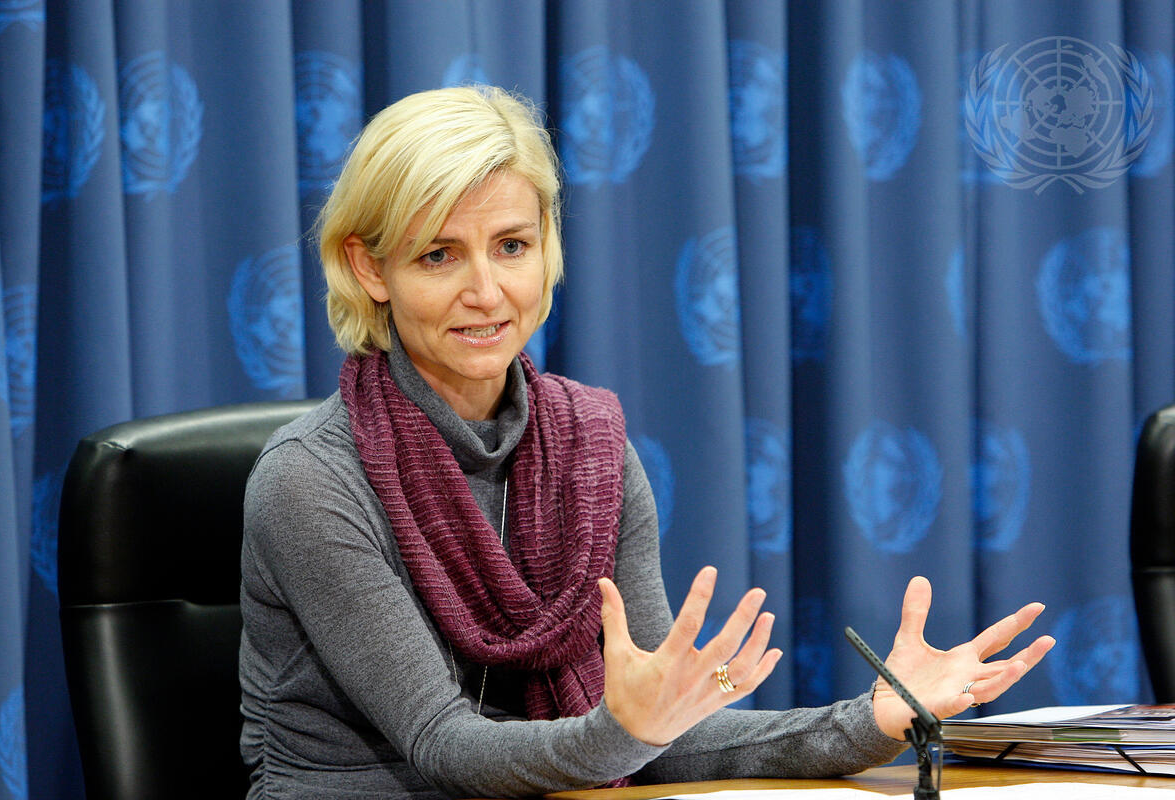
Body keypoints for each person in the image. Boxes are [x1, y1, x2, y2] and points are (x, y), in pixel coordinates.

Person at [238, 85, 1054, 799]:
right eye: (439, 255)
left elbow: (665, 731)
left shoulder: (591, 450)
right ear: (370, 269)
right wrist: (630, 731)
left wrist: (874, 716)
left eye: (512, 246)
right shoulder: (309, 480)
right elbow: (448, 746)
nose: (486, 291)